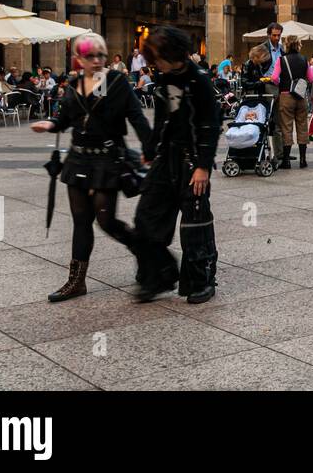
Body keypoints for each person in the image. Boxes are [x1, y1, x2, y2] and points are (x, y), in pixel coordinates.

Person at [30, 33, 153, 304]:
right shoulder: (74, 84)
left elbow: (136, 115)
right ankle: (76, 282)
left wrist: (149, 148)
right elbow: (64, 119)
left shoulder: (117, 81)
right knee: (81, 221)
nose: (97, 61)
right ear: (78, 60)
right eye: (90, 56)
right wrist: (50, 125)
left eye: (101, 55)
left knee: (106, 220)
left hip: (106, 159)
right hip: (78, 159)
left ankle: (147, 255)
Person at [130, 26, 221, 305]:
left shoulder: (199, 81)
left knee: (196, 223)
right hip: (165, 157)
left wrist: (203, 166)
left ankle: (201, 280)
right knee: (146, 217)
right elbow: (161, 117)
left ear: (172, 54)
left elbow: (211, 125)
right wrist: (151, 147)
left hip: (191, 160)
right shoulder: (162, 77)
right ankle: (159, 274)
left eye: (156, 58)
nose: (153, 64)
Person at [274, 36, 310, 169]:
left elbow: (274, 78)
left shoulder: (281, 60)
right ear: (298, 45)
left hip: (286, 95)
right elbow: (310, 77)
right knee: (302, 126)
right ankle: (303, 160)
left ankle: (286, 161)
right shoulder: (304, 59)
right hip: (300, 96)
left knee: (286, 127)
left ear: (286, 45)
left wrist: (283, 83)